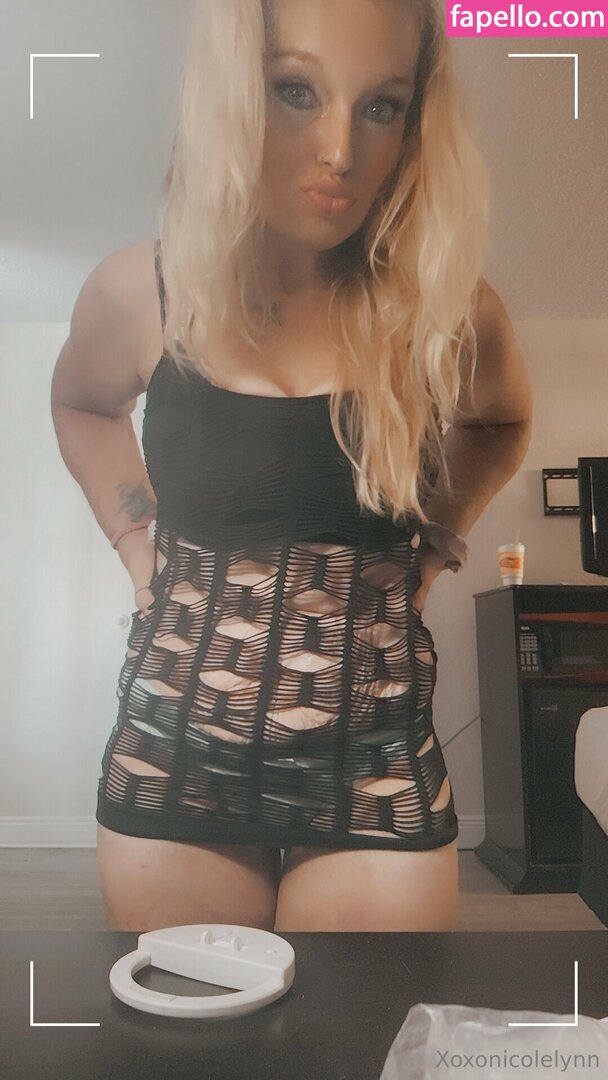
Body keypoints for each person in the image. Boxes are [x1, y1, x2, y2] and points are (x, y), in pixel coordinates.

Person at [51, 0, 532, 933]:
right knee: (196, 1023)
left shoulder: (449, 311)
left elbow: (502, 422)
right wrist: (136, 546)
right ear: (232, 93)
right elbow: (81, 403)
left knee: (363, 1021)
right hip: (179, 753)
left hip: (374, 762)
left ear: (417, 122)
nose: (340, 150)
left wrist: (436, 545)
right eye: (295, 91)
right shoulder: (142, 291)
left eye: (382, 104)